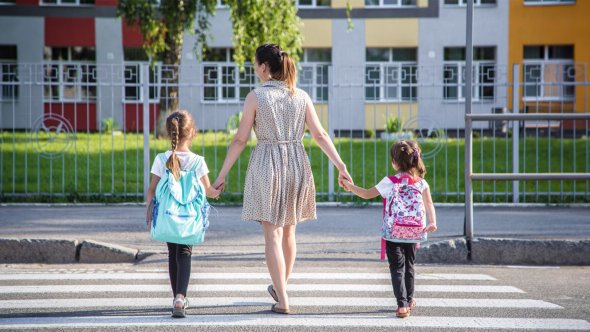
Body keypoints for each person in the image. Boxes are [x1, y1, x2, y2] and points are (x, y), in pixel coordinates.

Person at [212, 44, 352, 314]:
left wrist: (221, 175)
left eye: (256, 64)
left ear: (264, 67)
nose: (255, 69)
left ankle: (284, 300)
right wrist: (341, 165)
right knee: (289, 231)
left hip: (268, 163)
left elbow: (240, 139)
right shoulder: (300, 96)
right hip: (297, 163)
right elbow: (320, 135)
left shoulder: (256, 97)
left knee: (271, 235)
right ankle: (281, 288)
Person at [342, 140, 437, 318]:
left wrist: (349, 186)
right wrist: (432, 222)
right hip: (414, 231)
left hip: (393, 232)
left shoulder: (390, 182)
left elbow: (366, 193)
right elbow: (429, 203)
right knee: (410, 266)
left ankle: (402, 305)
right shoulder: (422, 183)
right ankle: (409, 300)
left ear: (395, 162)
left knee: (397, 268)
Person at [145, 110, 220, 318]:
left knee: (172, 253)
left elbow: (152, 189)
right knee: (185, 252)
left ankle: (176, 298)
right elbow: (208, 192)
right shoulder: (198, 162)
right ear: (192, 132)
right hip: (189, 218)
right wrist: (218, 188)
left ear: (169, 133)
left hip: (168, 217)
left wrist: (149, 210)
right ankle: (180, 297)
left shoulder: (162, 159)